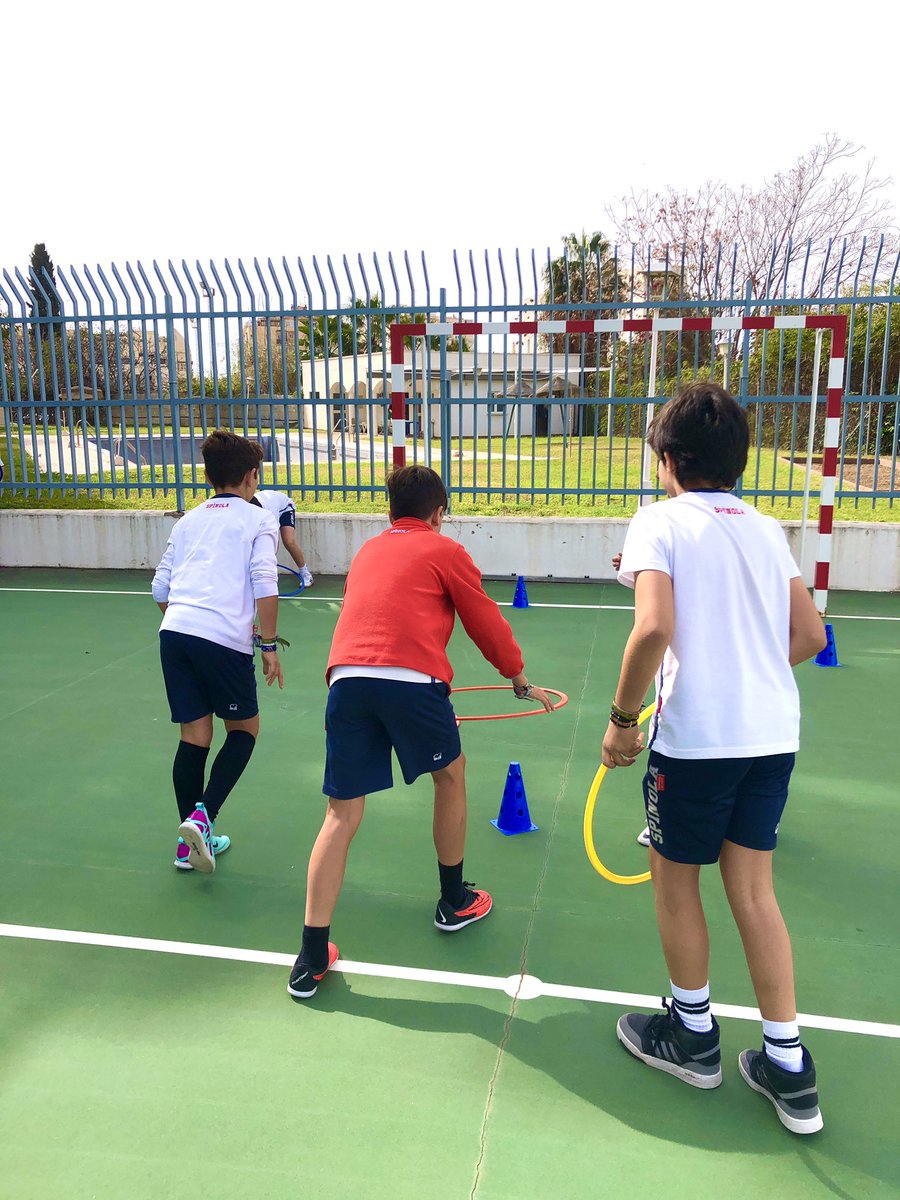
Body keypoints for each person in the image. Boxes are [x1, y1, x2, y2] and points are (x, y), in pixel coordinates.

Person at [602, 382, 827, 1135]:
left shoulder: (658, 520)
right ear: (737, 460)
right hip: (771, 736)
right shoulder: (765, 528)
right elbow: (810, 637)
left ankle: (693, 1034)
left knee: (676, 884)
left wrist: (623, 721)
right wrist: (747, 673)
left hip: (696, 742)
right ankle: (788, 1064)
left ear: (668, 460)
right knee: (755, 893)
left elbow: (653, 629)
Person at [287, 464, 554, 999]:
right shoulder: (444, 550)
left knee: (340, 813)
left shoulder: (367, 551)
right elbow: (485, 622)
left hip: (346, 678)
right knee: (450, 775)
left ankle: (311, 956)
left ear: (390, 512)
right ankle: (453, 900)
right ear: (438, 513)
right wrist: (519, 679)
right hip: (411, 680)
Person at [151, 431, 285, 874]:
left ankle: (188, 846)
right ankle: (203, 818)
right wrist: (267, 643)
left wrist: (187, 618)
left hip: (174, 632)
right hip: (220, 640)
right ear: (252, 477)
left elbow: (159, 588)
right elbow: (266, 581)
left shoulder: (187, 520)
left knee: (194, 736)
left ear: (208, 476)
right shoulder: (258, 519)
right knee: (244, 729)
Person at [252, 483, 315, 589]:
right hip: (271, 505)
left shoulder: (269, 511)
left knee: (288, 541)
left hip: (285, 508)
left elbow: (273, 541)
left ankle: (306, 574)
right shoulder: (250, 510)